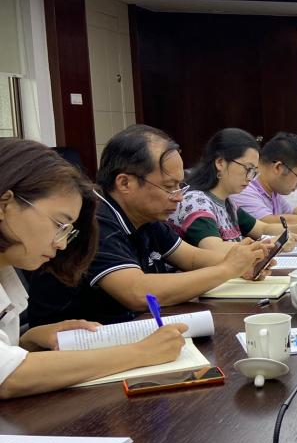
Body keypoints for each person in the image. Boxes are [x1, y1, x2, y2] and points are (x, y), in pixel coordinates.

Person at [0, 138, 187, 398]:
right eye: (59, 224)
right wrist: (142, 352)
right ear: (5, 205)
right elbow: (9, 376)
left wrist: (29, 340)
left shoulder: (6, 271)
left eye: (68, 231)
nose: (61, 244)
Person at [28, 125, 267, 326]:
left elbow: (192, 258)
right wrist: (227, 269)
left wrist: (245, 262)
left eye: (180, 185)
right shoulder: (95, 220)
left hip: (134, 329)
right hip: (74, 347)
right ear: (125, 183)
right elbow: (138, 292)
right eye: (169, 186)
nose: (179, 197)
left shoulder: (146, 215)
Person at [170, 128, 297, 251]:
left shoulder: (228, 203)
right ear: (220, 163)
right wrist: (268, 245)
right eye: (248, 169)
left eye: (254, 171)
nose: (250, 177)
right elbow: (214, 248)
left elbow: (262, 228)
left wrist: (296, 229)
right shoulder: (196, 201)